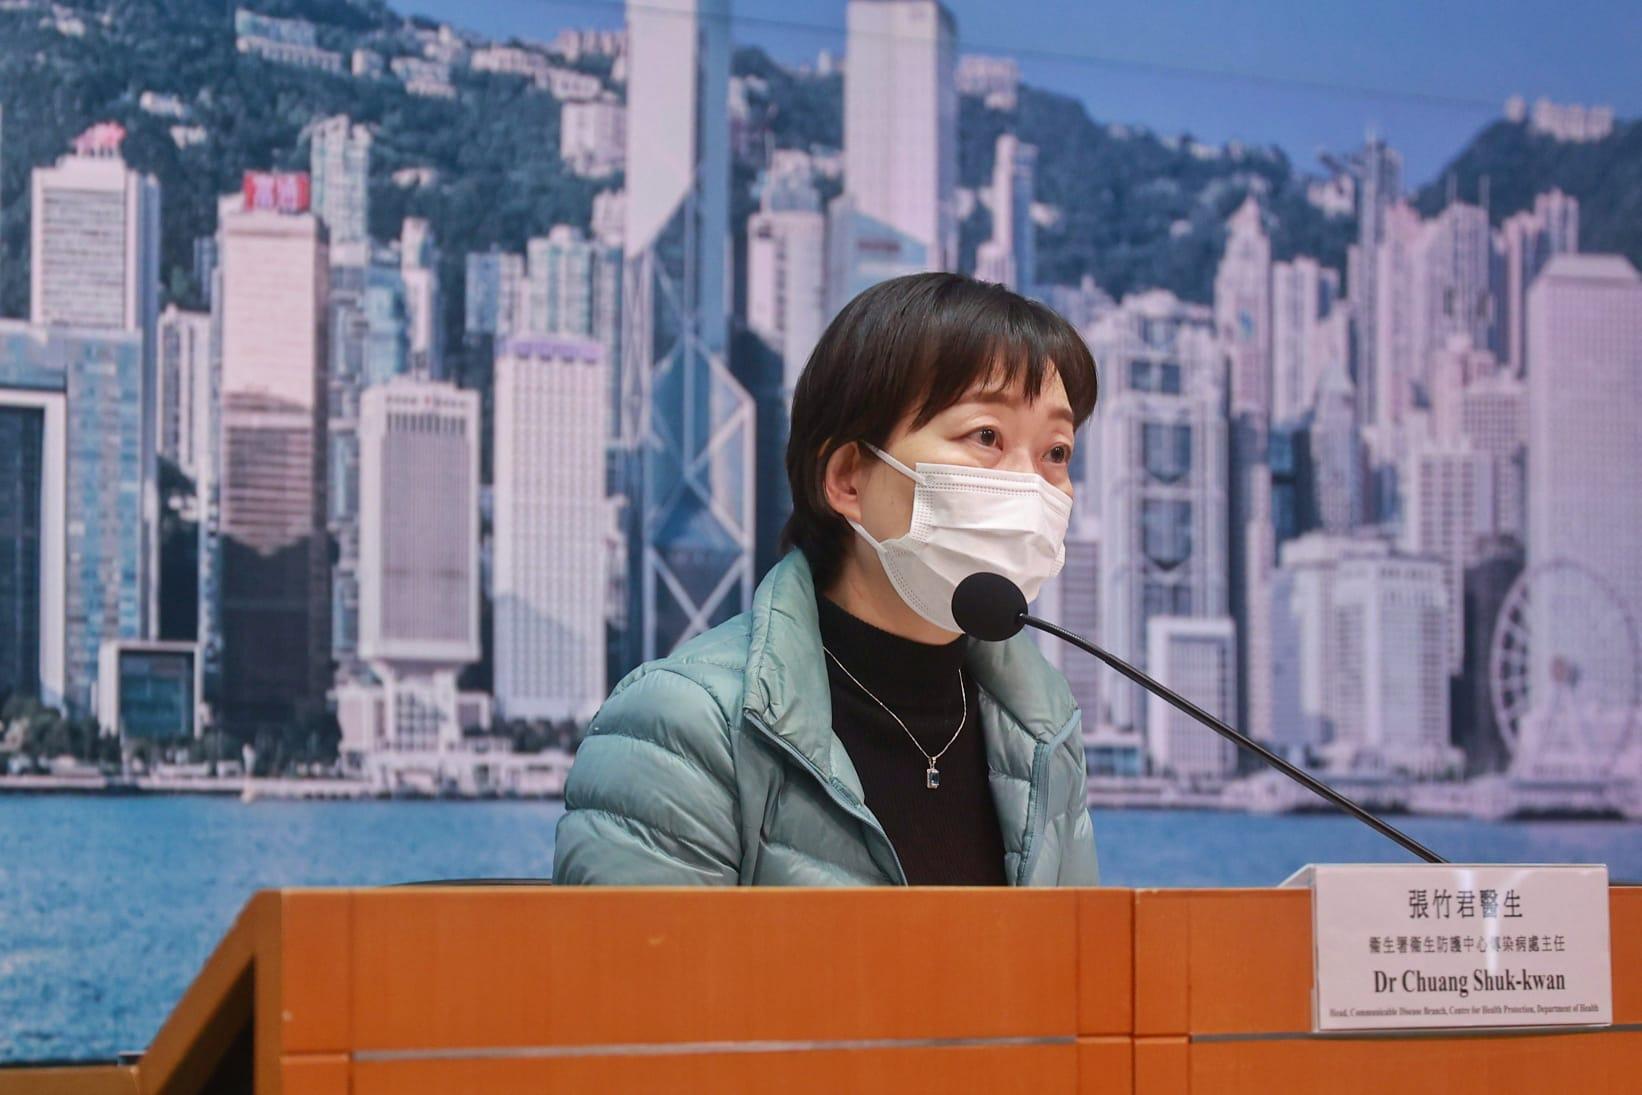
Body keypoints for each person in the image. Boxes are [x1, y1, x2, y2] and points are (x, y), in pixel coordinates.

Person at [553, 272, 1100, 886]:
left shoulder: (1042, 728)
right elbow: (651, 952)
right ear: (847, 479)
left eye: (1056, 452)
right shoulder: (685, 726)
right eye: (986, 436)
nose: (1029, 484)